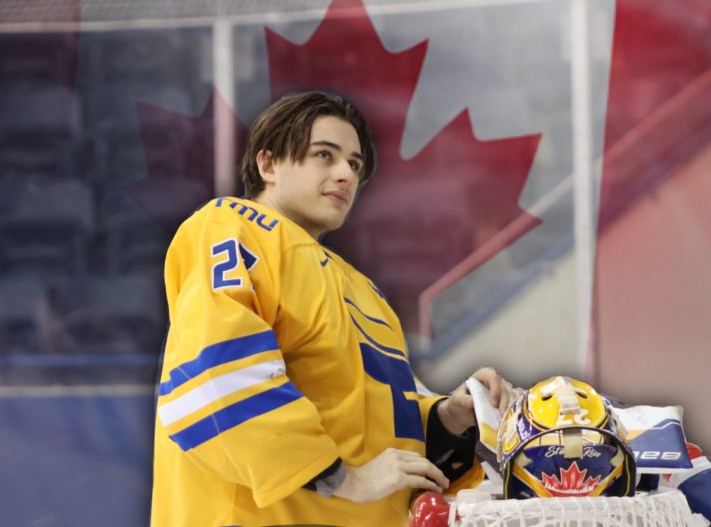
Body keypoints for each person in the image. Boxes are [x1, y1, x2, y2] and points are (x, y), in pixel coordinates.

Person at [150, 91, 515, 526]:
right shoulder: (231, 227)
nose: (345, 174)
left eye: (355, 165)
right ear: (268, 165)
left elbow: (375, 427)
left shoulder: (364, 290)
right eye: (324, 155)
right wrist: (341, 478)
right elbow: (216, 380)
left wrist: (446, 418)